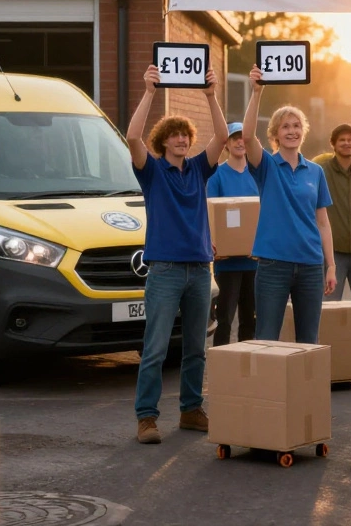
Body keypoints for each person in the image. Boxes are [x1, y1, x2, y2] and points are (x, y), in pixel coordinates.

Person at [128, 63, 228, 445]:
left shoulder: (200, 170)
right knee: (154, 348)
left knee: (196, 349)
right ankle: (147, 418)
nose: (183, 141)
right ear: (164, 141)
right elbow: (132, 135)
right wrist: (150, 91)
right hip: (166, 272)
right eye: (176, 136)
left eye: (186, 135)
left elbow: (222, 134)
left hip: (201, 271)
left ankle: (190, 410)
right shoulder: (151, 173)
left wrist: (210, 95)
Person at [242, 65, 336, 343]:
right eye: (285, 127)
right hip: (274, 265)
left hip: (310, 265)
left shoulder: (316, 172)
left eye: (296, 126)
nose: (292, 131)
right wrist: (256, 92)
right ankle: (267, 388)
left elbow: (323, 222)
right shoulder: (267, 165)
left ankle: (305, 388)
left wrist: (330, 266)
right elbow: (247, 137)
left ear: (303, 132)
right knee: (267, 338)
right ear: (275, 134)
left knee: (309, 340)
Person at [207, 122, 259, 346]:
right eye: (234, 138)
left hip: (254, 262)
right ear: (226, 144)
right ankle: (221, 369)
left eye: (243, 138)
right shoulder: (217, 176)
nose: (239, 142)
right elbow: (210, 215)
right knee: (225, 319)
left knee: (250, 319)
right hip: (226, 263)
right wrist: (214, 246)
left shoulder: (258, 174)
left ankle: (246, 369)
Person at [313, 124, 351, 303]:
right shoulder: (321, 172)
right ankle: (328, 333)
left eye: (350, 140)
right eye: (342, 140)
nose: (346, 143)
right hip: (333, 253)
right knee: (329, 305)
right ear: (333, 144)